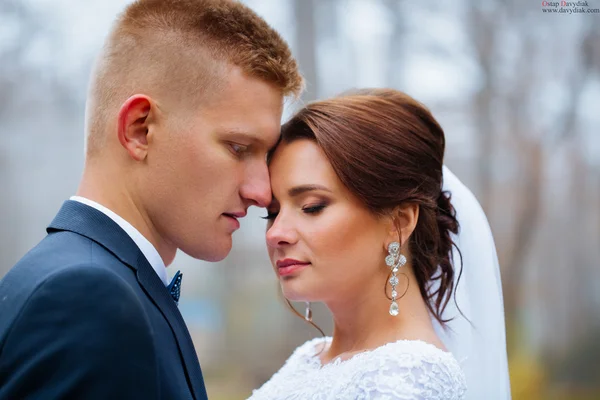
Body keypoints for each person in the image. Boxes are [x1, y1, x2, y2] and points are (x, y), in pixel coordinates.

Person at [0, 0, 302, 399]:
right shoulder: (90, 298)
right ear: (140, 130)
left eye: (264, 156)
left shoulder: (84, 278)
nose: (262, 192)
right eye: (238, 147)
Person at [249, 89, 511, 399]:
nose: (275, 233)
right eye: (273, 212)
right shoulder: (308, 358)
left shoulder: (407, 379)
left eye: (312, 206)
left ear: (399, 223)